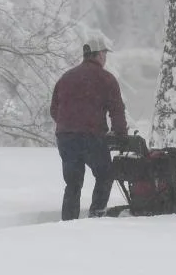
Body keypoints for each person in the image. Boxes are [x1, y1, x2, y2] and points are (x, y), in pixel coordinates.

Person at [50, 36, 127, 220]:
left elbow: (54, 110)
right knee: (105, 174)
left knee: (73, 183)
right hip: (91, 137)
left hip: (66, 137)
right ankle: (96, 214)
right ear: (99, 54)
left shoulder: (66, 78)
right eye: (105, 54)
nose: (105, 58)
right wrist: (121, 134)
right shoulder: (106, 79)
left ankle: (68, 220)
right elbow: (117, 111)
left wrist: (69, 124)